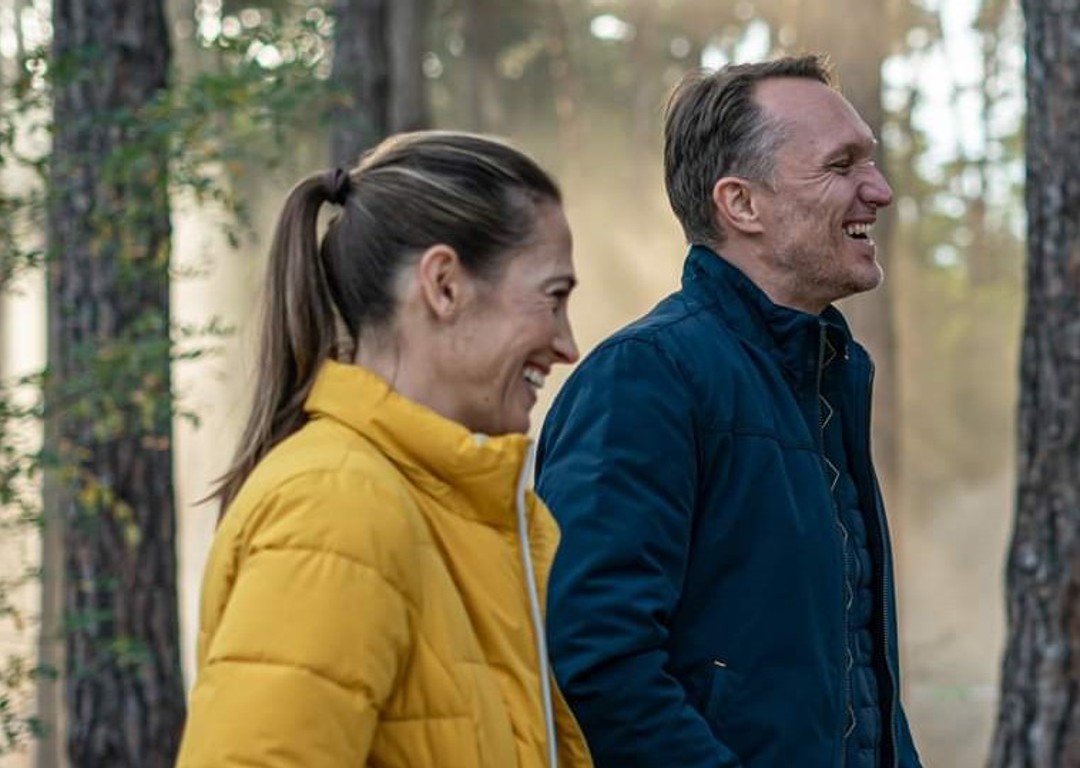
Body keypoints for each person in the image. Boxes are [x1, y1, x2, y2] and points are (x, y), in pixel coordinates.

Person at [535, 55, 922, 768]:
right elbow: (595, 658)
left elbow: (854, 681)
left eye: (869, 160)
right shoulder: (647, 378)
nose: (880, 189)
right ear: (741, 204)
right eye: (841, 165)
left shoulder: (827, 380)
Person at [176, 130, 592, 767]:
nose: (567, 346)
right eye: (553, 298)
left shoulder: (455, 509)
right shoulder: (337, 508)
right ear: (444, 285)